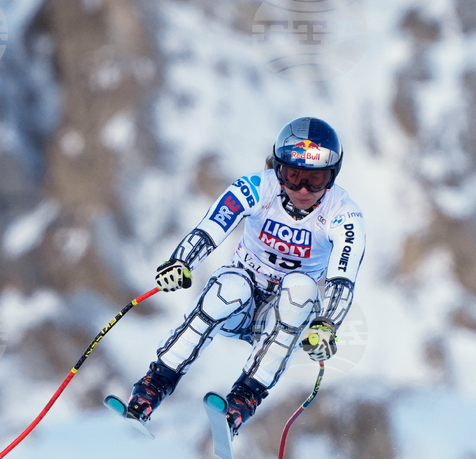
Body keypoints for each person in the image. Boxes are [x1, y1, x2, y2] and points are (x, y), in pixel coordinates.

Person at [124, 117, 366, 435]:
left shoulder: (343, 213)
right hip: (239, 302)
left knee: (301, 289)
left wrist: (326, 326)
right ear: (278, 170)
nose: (303, 190)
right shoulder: (257, 187)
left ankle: (242, 401)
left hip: (282, 317)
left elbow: (342, 278)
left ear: (332, 176)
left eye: (315, 179)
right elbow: (212, 226)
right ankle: (152, 386)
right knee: (230, 287)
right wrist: (181, 263)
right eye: (293, 177)